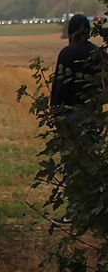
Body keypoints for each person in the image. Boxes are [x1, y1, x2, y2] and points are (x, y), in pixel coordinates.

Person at [50, 13, 101, 224]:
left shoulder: (67, 53)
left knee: (72, 164)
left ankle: (73, 213)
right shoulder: (97, 52)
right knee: (91, 162)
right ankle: (93, 211)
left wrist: (53, 110)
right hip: (91, 115)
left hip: (70, 115)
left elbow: (60, 85)